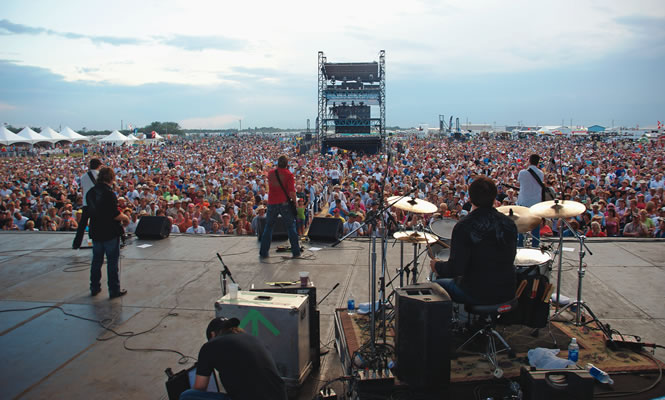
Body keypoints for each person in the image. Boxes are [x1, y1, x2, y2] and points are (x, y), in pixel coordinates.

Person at [429, 176, 517, 304]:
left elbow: (455, 269)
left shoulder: (464, 226)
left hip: (476, 292)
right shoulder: (509, 223)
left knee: (434, 285)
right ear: (494, 198)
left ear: (470, 199)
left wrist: (437, 265)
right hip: (507, 290)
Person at [180, 317, 287, 400]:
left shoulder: (209, 346)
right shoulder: (252, 339)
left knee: (187, 395)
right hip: (280, 395)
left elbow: (200, 387)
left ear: (212, 335)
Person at [87, 167, 130, 298]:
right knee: (112, 262)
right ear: (111, 178)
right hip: (109, 232)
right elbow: (114, 215)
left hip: (95, 231)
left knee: (96, 261)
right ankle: (114, 290)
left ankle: (94, 287)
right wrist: (126, 217)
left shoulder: (91, 192)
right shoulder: (108, 193)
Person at [259, 155, 301, 259]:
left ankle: (263, 252)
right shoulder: (289, 174)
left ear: (278, 163)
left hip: (272, 203)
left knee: (268, 227)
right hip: (284, 204)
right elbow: (291, 192)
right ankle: (296, 251)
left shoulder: (271, 173)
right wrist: (295, 202)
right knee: (291, 227)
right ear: (287, 164)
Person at [73, 158, 101, 249]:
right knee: (96, 223)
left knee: (82, 224)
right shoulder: (100, 176)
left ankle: (76, 243)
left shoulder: (84, 176)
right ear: (98, 166)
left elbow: (83, 190)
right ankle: (95, 241)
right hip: (96, 203)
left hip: (86, 203)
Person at [517, 154, 544, 247]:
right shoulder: (541, 173)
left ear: (529, 161)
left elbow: (519, 182)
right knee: (535, 225)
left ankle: (520, 244)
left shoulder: (522, 173)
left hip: (523, 201)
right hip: (536, 202)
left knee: (521, 225)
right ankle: (535, 246)